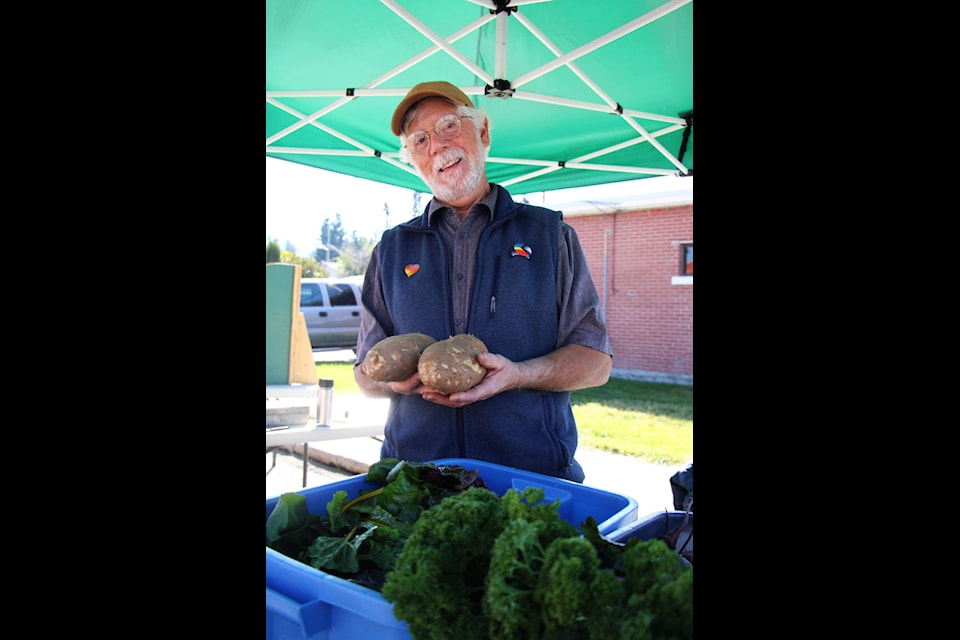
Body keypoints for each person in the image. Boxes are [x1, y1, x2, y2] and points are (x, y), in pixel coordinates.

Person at [353, 80, 612, 482]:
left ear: (483, 131)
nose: (437, 146)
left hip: (530, 479)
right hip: (413, 481)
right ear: (414, 160)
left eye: (449, 126)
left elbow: (595, 364)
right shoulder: (391, 249)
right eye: (419, 140)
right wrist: (389, 381)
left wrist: (519, 375)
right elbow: (363, 373)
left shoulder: (550, 235)